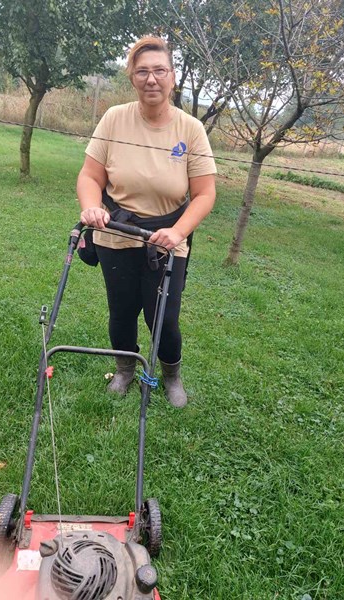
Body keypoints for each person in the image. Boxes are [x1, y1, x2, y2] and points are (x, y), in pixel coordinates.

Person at [77, 36, 216, 408]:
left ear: (172, 76)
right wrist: (91, 207)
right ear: (132, 77)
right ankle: (124, 370)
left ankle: (171, 376)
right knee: (121, 312)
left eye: (159, 70)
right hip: (116, 234)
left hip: (168, 240)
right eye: (142, 72)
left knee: (164, 319)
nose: (151, 79)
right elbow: (90, 176)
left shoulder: (191, 130)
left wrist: (178, 231)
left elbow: (205, 194)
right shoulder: (114, 118)